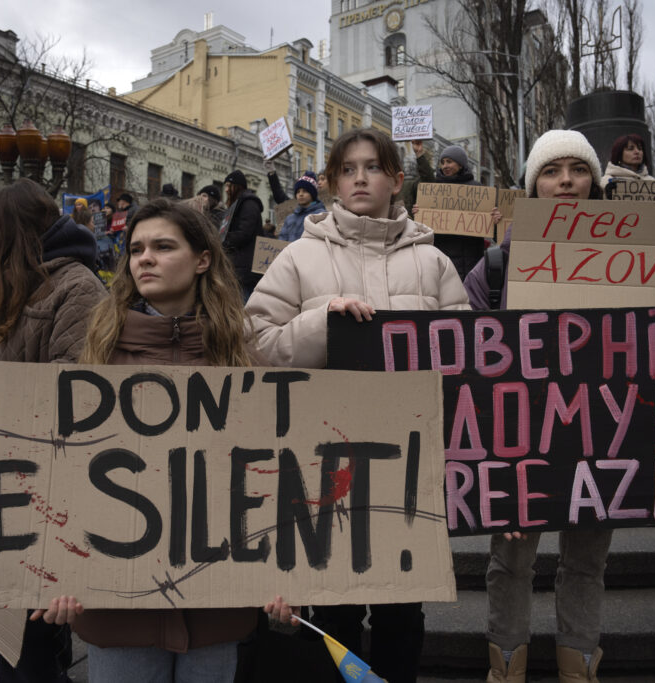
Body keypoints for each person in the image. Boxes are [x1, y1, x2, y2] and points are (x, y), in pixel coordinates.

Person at [245, 127, 469, 683]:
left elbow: (466, 360)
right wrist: (321, 324)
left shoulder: (435, 263)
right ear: (332, 183)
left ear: (397, 180)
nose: (361, 177)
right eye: (348, 169)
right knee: (335, 607)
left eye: (373, 167)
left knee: (402, 610)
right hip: (324, 465)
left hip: (407, 468)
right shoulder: (299, 257)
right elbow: (254, 345)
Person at [462, 130, 655, 683]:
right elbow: (463, 363)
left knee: (587, 561)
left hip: (601, 433)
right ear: (532, 185)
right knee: (510, 561)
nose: (565, 181)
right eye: (551, 170)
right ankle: (504, 667)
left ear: (595, 182)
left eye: (577, 170)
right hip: (520, 439)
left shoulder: (638, 259)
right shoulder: (491, 269)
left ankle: (579, 667)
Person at [31, 199, 261, 683]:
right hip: (118, 606)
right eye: (135, 249)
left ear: (202, 260)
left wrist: (287, 574)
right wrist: (57, 570)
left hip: (215, 600)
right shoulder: (98, 354)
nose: (144, 259)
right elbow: (65, 472)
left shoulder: (242, 358)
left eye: (162, 246)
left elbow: (270, 475)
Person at [0, 178, 107, 682]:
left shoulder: (79, 286)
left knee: (35, 636)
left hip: (52, 484)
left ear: (15, 233)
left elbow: (77, 389)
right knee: (12, 636)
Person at [405, 140, 498, 280]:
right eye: (442, 162)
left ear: (460, 164)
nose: (445, 166)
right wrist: (421, 213)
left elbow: (492, 229)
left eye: (449, 161)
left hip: (470, 261)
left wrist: (495, 219)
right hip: (441, 257)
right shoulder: (434, 188)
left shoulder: (477, 189)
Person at [219, 170, 264, 300]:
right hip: (238, 266)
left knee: (243, 309)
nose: (226, 190)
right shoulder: (238, 204)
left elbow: (244, 233)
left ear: (237, 186)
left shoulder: (249, 204)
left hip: (245, 269)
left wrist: (222, 240)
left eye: (229, 186)